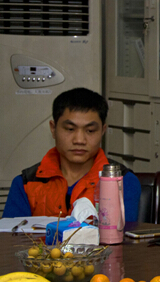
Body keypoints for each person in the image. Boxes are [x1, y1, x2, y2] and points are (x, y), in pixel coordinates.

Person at [3, 88, 141, 222]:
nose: (79, 140)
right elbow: (10, 239)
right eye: (70, 129)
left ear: (103, 131)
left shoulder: (123, 182)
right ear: (53, 129)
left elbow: (123, 241)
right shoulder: (26, 183)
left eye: (90, 131)